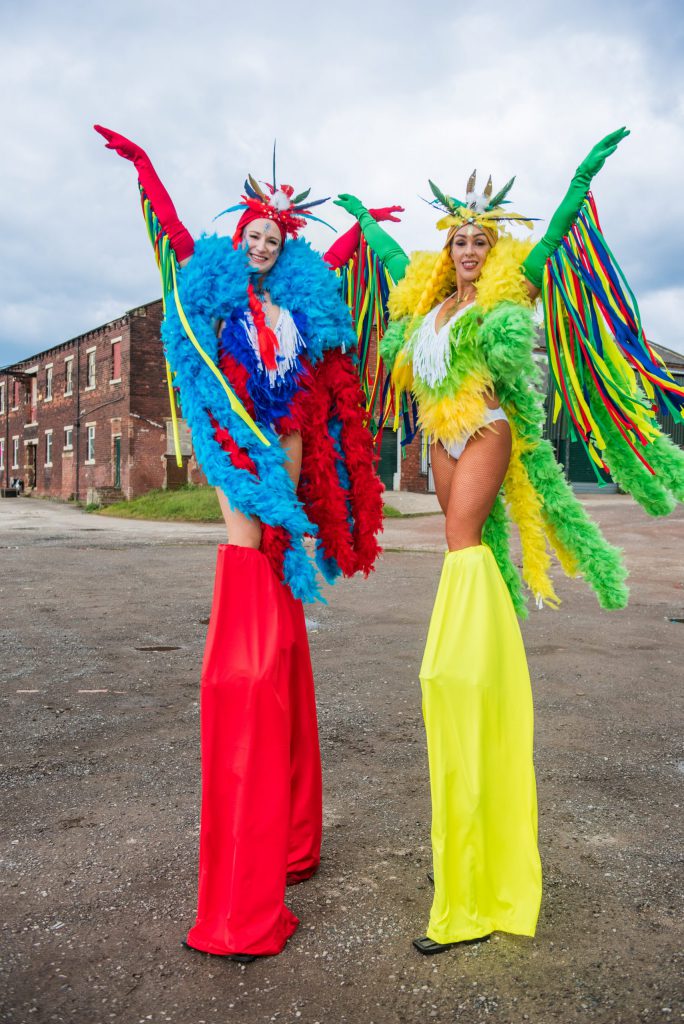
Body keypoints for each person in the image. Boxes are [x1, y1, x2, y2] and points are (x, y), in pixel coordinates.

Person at [335, 128, 684, 954]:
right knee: (462, 549)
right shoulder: (429, 299)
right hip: (438, 436)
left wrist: (581, 179)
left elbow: (559, 238)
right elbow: (389, 259)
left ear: (492, 248)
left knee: (462, 537)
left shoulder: (505, 290)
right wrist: (360, 215)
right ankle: (471, 650)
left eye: (478, 240)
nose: (465, 250)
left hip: (484, 428)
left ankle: (464, 653)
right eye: (456, 239)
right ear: (444, 247)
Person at [95, 126, 392, 960]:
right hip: (238, 448)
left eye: (274, 237)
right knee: (250, 624)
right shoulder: (215, 288)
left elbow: (340, 274)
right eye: (252, 235)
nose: (262, 246)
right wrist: (147, 169)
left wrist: (364, 230)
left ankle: (294, 842)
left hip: (289, 450)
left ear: (284, 245)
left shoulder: (296, 302)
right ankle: (263, 853)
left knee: (281, 583)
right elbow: (172, 234)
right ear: (239, 241)